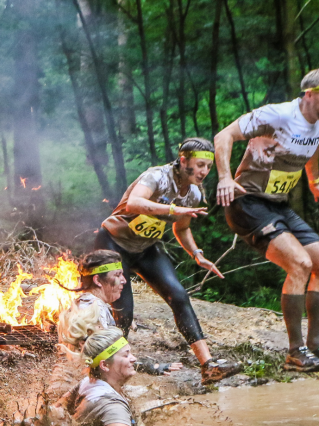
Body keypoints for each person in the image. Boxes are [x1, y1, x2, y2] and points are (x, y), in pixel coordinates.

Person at [94, 139, 241, 384]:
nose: (204, 171)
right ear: (183, 161)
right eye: (200, 165)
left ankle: (209, 366)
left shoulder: (193, 192)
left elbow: (181, 229)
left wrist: (197, 254)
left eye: (208, 167)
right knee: (124, 311)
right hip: (113, 244)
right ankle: (110, 371)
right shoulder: (157, 177)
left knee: (179, 295)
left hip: (145, 248)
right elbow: (135, 203)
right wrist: (172, 210)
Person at [215, 69, 319, 371]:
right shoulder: (278, 115)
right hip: (246, 202)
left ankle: (314, 347)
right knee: (300, 264)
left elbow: (313, 156)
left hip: (277, 205)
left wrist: (315, 184)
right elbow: (224, 135)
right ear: (310, 93)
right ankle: (295, 352)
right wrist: (223, 178)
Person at [48, 251, 181, 400]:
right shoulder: (92, 309)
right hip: (77, 391)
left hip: (76, 389)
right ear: (98, 280)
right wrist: (150, 367)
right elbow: (98, 360)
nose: (124, 280)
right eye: (117, 275)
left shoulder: (88, 304)